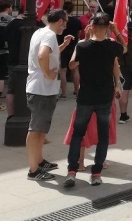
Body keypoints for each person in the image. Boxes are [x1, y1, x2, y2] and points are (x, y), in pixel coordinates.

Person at [63, 12, 124, 187]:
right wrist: (116, 31)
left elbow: (72, 64)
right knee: (103, 135)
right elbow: (124, 48)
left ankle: (72, 171)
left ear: (93, 27)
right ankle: (96, 172)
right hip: (105, 96)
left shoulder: (83, 46)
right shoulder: (112, 46)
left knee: (78, 133)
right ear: (107, 28)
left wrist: (85, 39)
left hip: (86, 96)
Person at [26, 9, 73, 181]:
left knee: (41, 128)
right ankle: (33, 169)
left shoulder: (40, 32)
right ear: (60, 21)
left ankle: (39, 161)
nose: (65, 26)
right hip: (42, 88)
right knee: (36, 128)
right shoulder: (50, 35)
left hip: (40, 88)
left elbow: (49, 53)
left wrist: (64, 46)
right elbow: (42, 55)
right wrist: (47, 73)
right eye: (65, 22)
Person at [58, 1, 83, 98]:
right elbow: (79, 34)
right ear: (72, 9)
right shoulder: (77, 21)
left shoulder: (61, 21)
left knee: (63, 70)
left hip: (62, 46)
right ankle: (77, 90)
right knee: (75, 69)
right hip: (74, 47)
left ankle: (63, 93)